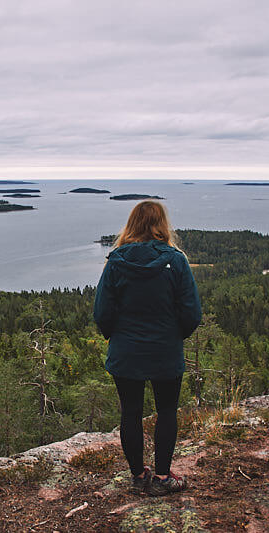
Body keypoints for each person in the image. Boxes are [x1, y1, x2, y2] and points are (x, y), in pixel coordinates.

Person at [93, 200, 201, 496]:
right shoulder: (176, 260)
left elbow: (102, 313)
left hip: (126, 352)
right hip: (165, 350)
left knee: (130, 412)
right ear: (161, 225)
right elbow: (192, 313)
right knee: (166, 412)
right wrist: (173, 336)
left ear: (132, 224)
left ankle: (139, 476)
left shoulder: (116, 261)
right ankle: (164, 479)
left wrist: (118, 337)